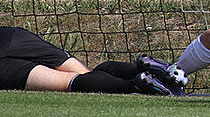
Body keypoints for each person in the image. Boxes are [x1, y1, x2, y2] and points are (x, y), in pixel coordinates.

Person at [0, 26, 179, 95]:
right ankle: (141, 68)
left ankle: (136, 84)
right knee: (89, 74)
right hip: (10, 35)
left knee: (69, 82)